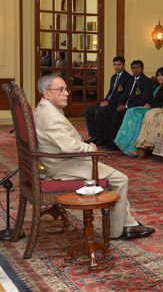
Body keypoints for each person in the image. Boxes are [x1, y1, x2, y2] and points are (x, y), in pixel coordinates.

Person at [34, 73, 154, 239]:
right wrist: (89, 147)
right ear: (47, 93)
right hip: (62, 166)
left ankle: (128, 223)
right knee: (120, 179)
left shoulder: (43, 108)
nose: (67, 93)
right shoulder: (51, 116)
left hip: (57, 160)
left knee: (115, 176)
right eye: (60, 90)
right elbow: (70, 147)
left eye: (66, 89)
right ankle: (117, 230)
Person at [114, 67, 163, 156]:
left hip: (157, 109)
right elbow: (151, 99)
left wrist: (150, 105)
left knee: (139, 116)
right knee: (131, 111)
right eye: (158, 75)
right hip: (150, 107)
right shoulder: (157, 86)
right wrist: (148, 104)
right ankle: (123, 139)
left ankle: (134, 145)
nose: (160, 77)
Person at [99, 60, 153, 151]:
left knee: (116, 115)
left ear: (142, 68)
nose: (135, 70)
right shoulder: (130, 80)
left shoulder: (146, 81)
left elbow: (143, 99)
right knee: (105, 112)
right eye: (133, 68)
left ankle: (116, 143)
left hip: (135, 108)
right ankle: (106, 139)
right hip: (124, 106)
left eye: (138, 68)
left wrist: (127, 106)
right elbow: (124, 95)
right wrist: (120, 105)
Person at [84, 56, 132, 144]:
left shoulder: (128, 78)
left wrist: (109, 102)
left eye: (119, 65)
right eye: (115, 64)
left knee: (100, 112)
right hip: (108, 102)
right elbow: (111, 92)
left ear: (124, 65)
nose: (117, 67)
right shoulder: (113, 77)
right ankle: (94, 136)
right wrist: (104, 100)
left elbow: (124, 95)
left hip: (117, 104)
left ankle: (102, 138)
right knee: (88, 111)